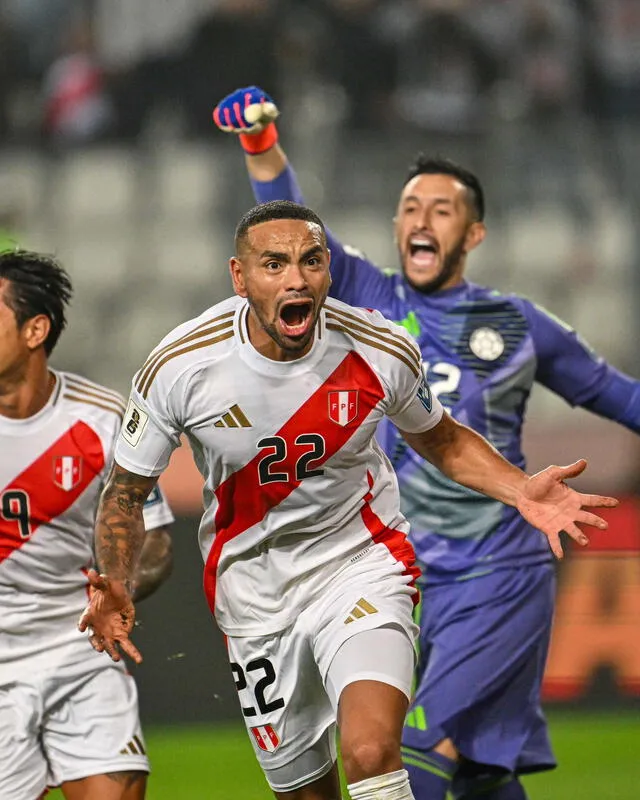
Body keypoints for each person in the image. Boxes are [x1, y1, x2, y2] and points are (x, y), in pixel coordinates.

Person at [78, 200, 617, 800]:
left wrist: (520, 487)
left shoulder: (378, 348)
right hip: (252, 593)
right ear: (239, 277)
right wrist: (116, 578)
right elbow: (126, 493)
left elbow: (438, 437)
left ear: (328, 269)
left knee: (370, 750)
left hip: (360, 563)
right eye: (274, 264)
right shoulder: (181, 365)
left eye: (311, 261)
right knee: (308, 790)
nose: (296, 279)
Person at [211, 87, 640, 800]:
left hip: (496, 573)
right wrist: (262, 145)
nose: (422, 220)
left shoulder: (516, 322)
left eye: (442, 211)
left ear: (472, 234)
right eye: (410, 208)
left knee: (402, 752)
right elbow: (288, 232)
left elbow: (618, 395)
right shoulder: (366, 297)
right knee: (478, 775)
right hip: (407, 577)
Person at [0, 249, 175, 800]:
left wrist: (118, 589)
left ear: (36, 330)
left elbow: (156, 542)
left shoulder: (100, 420)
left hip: (80, 650)